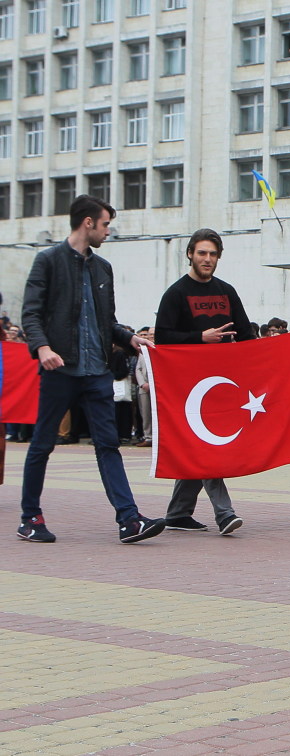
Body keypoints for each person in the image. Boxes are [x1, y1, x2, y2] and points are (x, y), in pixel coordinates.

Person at [17, 195, 165, 544]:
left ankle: (129, 520)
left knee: (108, 444)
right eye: (105, 224)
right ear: (88, 223)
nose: (107, 231)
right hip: (60, 370)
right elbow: (31, 313)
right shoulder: (48, 261)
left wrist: (131, 339)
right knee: (42, 444)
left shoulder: (103, 269)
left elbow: (107, 321)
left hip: (96, 371)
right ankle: (29, 518)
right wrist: (42, 348)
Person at [153, 228, 256, 535]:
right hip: (190, 387)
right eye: (202, 253)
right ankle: (224, 513)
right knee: (208, 445)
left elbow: (248, 336)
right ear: (190, 254)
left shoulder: (227, 291)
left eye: (213, 254)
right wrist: (200, 338)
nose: (207, 259)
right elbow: (162, 337)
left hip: (223, 384)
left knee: (202, 444)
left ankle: (178, 513)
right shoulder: (176, 293)